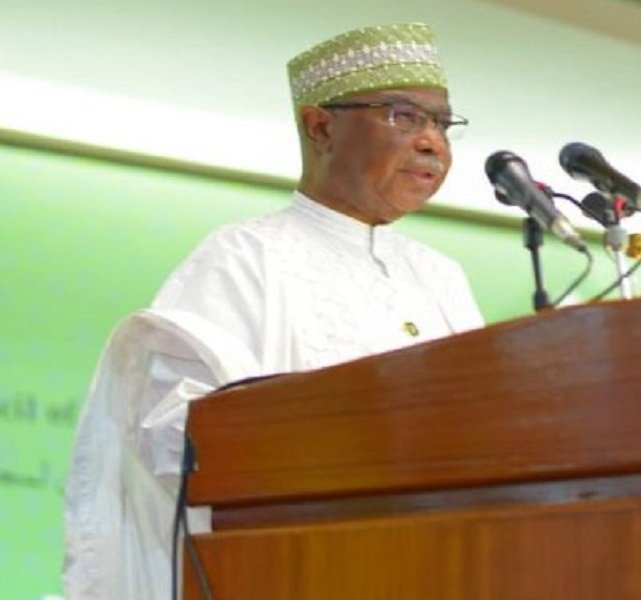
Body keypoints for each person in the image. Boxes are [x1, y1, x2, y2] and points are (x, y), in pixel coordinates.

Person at [61, 23, 483, 599]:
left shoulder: (441, 277)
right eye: (404, 117)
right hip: (294, 573)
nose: (433, 142)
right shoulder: (244, 256)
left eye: (442, 123)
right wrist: (340, 445)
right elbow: (178, 435)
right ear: (320, 127)